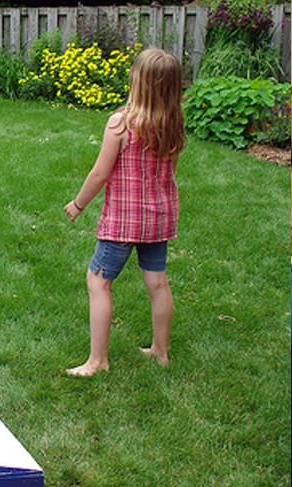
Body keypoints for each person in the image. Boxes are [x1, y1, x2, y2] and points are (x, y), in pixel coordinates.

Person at [63, 48, 185, 377]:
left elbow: (100, 173)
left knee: (98, 282)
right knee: (157, 283)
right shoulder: (173, 123)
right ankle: (160, 352)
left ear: (138, 82)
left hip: (123, 220)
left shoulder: (121, 123)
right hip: (159, 218)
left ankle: (97, 361)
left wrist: (77, 205)